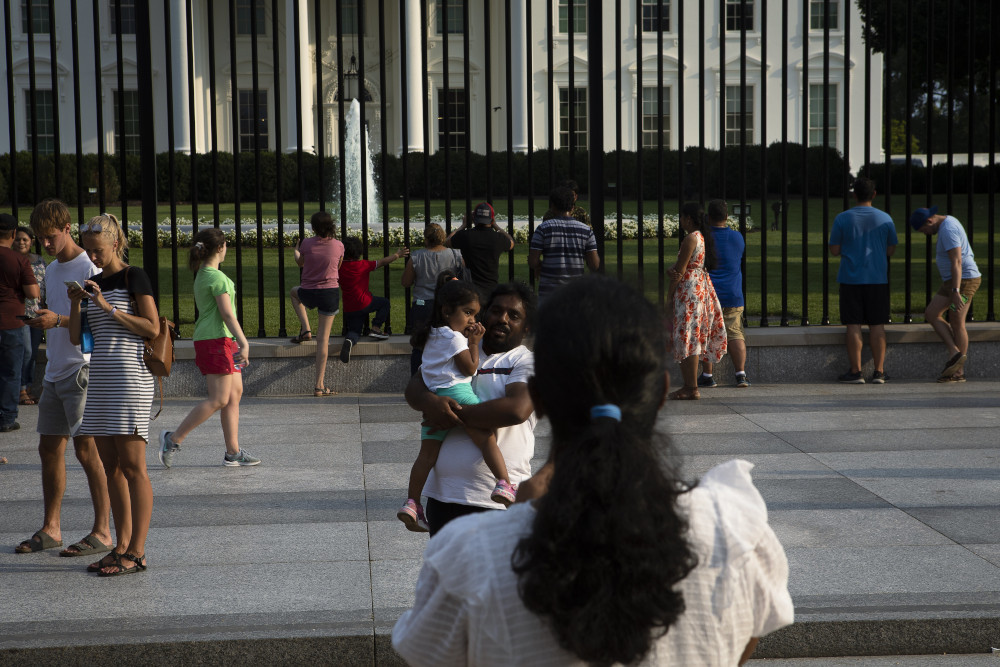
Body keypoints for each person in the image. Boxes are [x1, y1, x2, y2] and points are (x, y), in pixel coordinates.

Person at [392, 276, 793, 666]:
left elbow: (427, 651)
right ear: (659, 395)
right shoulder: (737, 530)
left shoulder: (467, 555)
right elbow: (748, 634)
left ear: (543, 400)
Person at [403, 282, 536, 536]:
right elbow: (414, 389)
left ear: (526, 327)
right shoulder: (457, 347)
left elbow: (516, 409)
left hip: (494, 505)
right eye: (496, 311)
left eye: (514, 315)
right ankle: (413, 503)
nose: (503, 319)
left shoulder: (525, 360)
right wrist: (432, 403)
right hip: (445, 497)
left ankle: (504, 484)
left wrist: (451, 414)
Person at [18, 200, 112, 559]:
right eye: (41, 238)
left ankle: (102, 530)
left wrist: (56, 320)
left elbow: (97, 321)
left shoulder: (89, 265)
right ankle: (52, 527)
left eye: (51, 236)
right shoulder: (54, 269)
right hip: (56, 368)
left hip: (81, 368)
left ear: (68, 228)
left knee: (88, 450)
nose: (46, 244)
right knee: (48, 449)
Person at [67, 213, 160, 576]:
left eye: (99, 250)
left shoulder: (133, 276)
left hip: (131, 379)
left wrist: (110, 309)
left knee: (134, 467)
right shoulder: (92, 282)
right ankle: (120, 546)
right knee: (112, 468)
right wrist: (77, 302)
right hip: (103, 379)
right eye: (89, 251)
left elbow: (151, 327)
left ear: (116, 244)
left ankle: (137, 551)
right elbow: (76, 338)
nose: (94, 257)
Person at [158, 228, 258, 468]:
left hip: (219, 339)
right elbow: (227, 314)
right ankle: (173, 439)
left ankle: (233, 453)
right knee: (219, 399)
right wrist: (244, 342)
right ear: (221, 248)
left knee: (234, 395)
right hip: (216, 341)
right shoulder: (217, 278)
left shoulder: (204, 274)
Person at [829, 178, 898, 384]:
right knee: (878, 325)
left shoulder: (842, 218)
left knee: (853, 324)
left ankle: (856, 371)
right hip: (877, 278)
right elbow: (891, 249)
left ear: (854, 195)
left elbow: (834, 250)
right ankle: (879, 371)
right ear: (874, 194)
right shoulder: (885, 218)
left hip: (850, 277)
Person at [910, 206, 981, 382]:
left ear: (929, 221)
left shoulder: (948, 229)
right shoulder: (947, 223)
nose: (926, 234)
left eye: (924, 230)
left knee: (957, 321)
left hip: (964, 281)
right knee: (932, 313)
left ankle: (958, 372)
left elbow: (957, 261)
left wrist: (956, 291)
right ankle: (955, 352)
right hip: (952, 282)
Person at [667, 202, 727, 400]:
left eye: (682, 217)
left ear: (688, 219)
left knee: (688, 337)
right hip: (698, 287)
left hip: (689, 291)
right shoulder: (700, 237)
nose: (681, 221)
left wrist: (669, 295)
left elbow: (680, 271)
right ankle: (690, 386)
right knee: (692, 336)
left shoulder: (690, 238)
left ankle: (690, 387)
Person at [289, 211, 345, 396]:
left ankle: (306, 329)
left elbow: (300, 263)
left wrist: (296, 251)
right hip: (329, 293)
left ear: (313, 228)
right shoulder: (339, 245)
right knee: (323, 340)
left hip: (309, 292)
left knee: (293, 293)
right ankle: (319, 385)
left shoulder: (306, 243)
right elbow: (337, 267)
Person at [699, 199, 751, 388]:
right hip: (733, 294)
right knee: (735, 333)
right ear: (726, 216)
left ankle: (707, 375)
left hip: (710, 294)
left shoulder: (703, 238)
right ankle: (741, 374)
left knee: (707, 334)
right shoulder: (737, 237)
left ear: (708, 217)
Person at [338, 237, 408, 363]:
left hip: (349, 308)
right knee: (384, 303)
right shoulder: (363, 265)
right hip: (365, 302)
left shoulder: (339, 268)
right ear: (359, 252)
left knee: (355, 331)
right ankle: (376, 327)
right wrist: (397, 255)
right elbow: (382, 262)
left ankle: (350, 341)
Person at [0, 213, 38, 432]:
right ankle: (6, 417)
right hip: (11, 321)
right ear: (14, 234)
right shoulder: (19, 260)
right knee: (11, 371)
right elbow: (33, 292)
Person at [528, 186, 600, 301]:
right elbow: (594, 264)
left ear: (552, 206)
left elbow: (532, 261)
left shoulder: (543, 229)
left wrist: (542, 264)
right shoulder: (586, 230)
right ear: (572, 207)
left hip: (549, 294)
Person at [446, 202, 515, 305]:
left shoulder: (466, 236)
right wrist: (496, 225)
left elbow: (448, 241)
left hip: (470, 289)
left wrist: (463, 225)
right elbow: (511, 243)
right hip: (491, 290)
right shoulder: (497, 239)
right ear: (491, 219)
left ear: (474, 219)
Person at [15, 225, 46, 405]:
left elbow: (45, 282)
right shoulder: (11, 260)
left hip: (37, 312)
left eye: (25, 239)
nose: (21, 242)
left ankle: (28, 387)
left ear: (31, 242)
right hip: (20, 313)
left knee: (33, 352)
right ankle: (21, 389)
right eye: (18, 239)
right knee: (25, 351)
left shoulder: (40, 261)